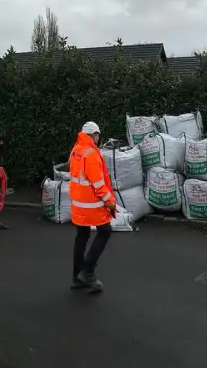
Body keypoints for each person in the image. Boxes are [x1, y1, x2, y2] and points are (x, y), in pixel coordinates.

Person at [69, 121, 116, 293]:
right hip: (91, 204)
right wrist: (109, 202)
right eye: (97, 135)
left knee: (82, 235)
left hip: (78, 203)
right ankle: (88, 272)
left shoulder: (76, 150)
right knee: (105, 231)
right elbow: (98, 184)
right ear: (94, 135)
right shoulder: (92, 154)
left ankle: (76, 277)